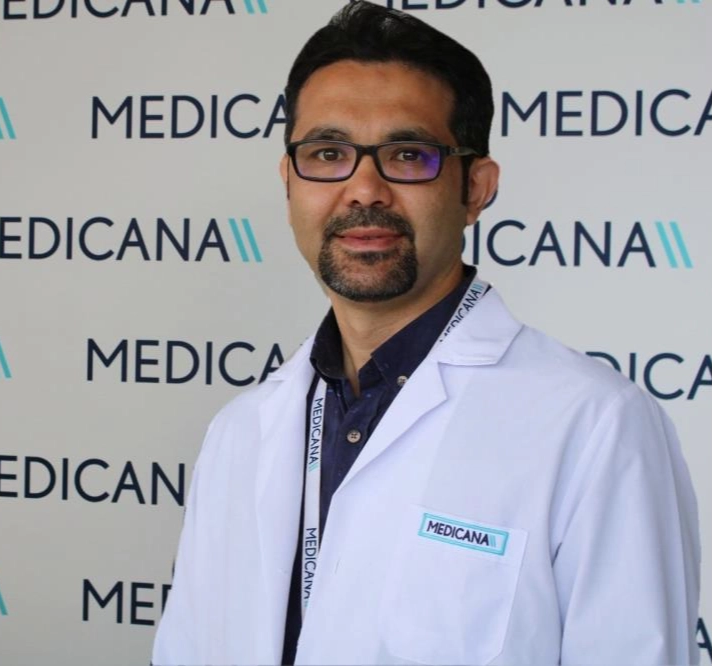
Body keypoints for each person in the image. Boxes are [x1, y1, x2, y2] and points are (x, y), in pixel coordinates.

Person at [151, 2, 701, 664]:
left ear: (476, 188)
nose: (363, 190)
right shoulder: (240, 432)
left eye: (408, 155)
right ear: (289, 182)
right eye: (327, 154)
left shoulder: (595, 427)